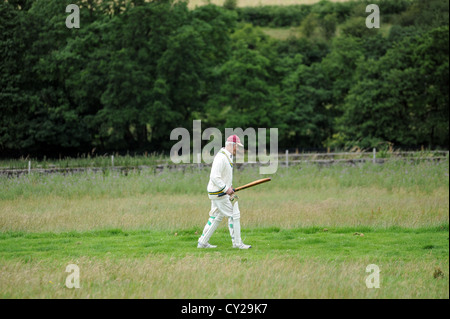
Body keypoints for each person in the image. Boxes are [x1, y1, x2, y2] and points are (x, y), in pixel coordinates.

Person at [197, 135, 251, 249]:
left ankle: (202, 242)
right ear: (232, 145)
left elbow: (224, 176)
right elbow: (214, 177)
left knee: (216, 216)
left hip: (217, 192)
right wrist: (226, 189)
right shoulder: (221, 157)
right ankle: (237, 243)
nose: (238, 149)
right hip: (218, 193)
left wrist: (229, 187)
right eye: (237, 146)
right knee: (234, 214)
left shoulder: (228, 156)